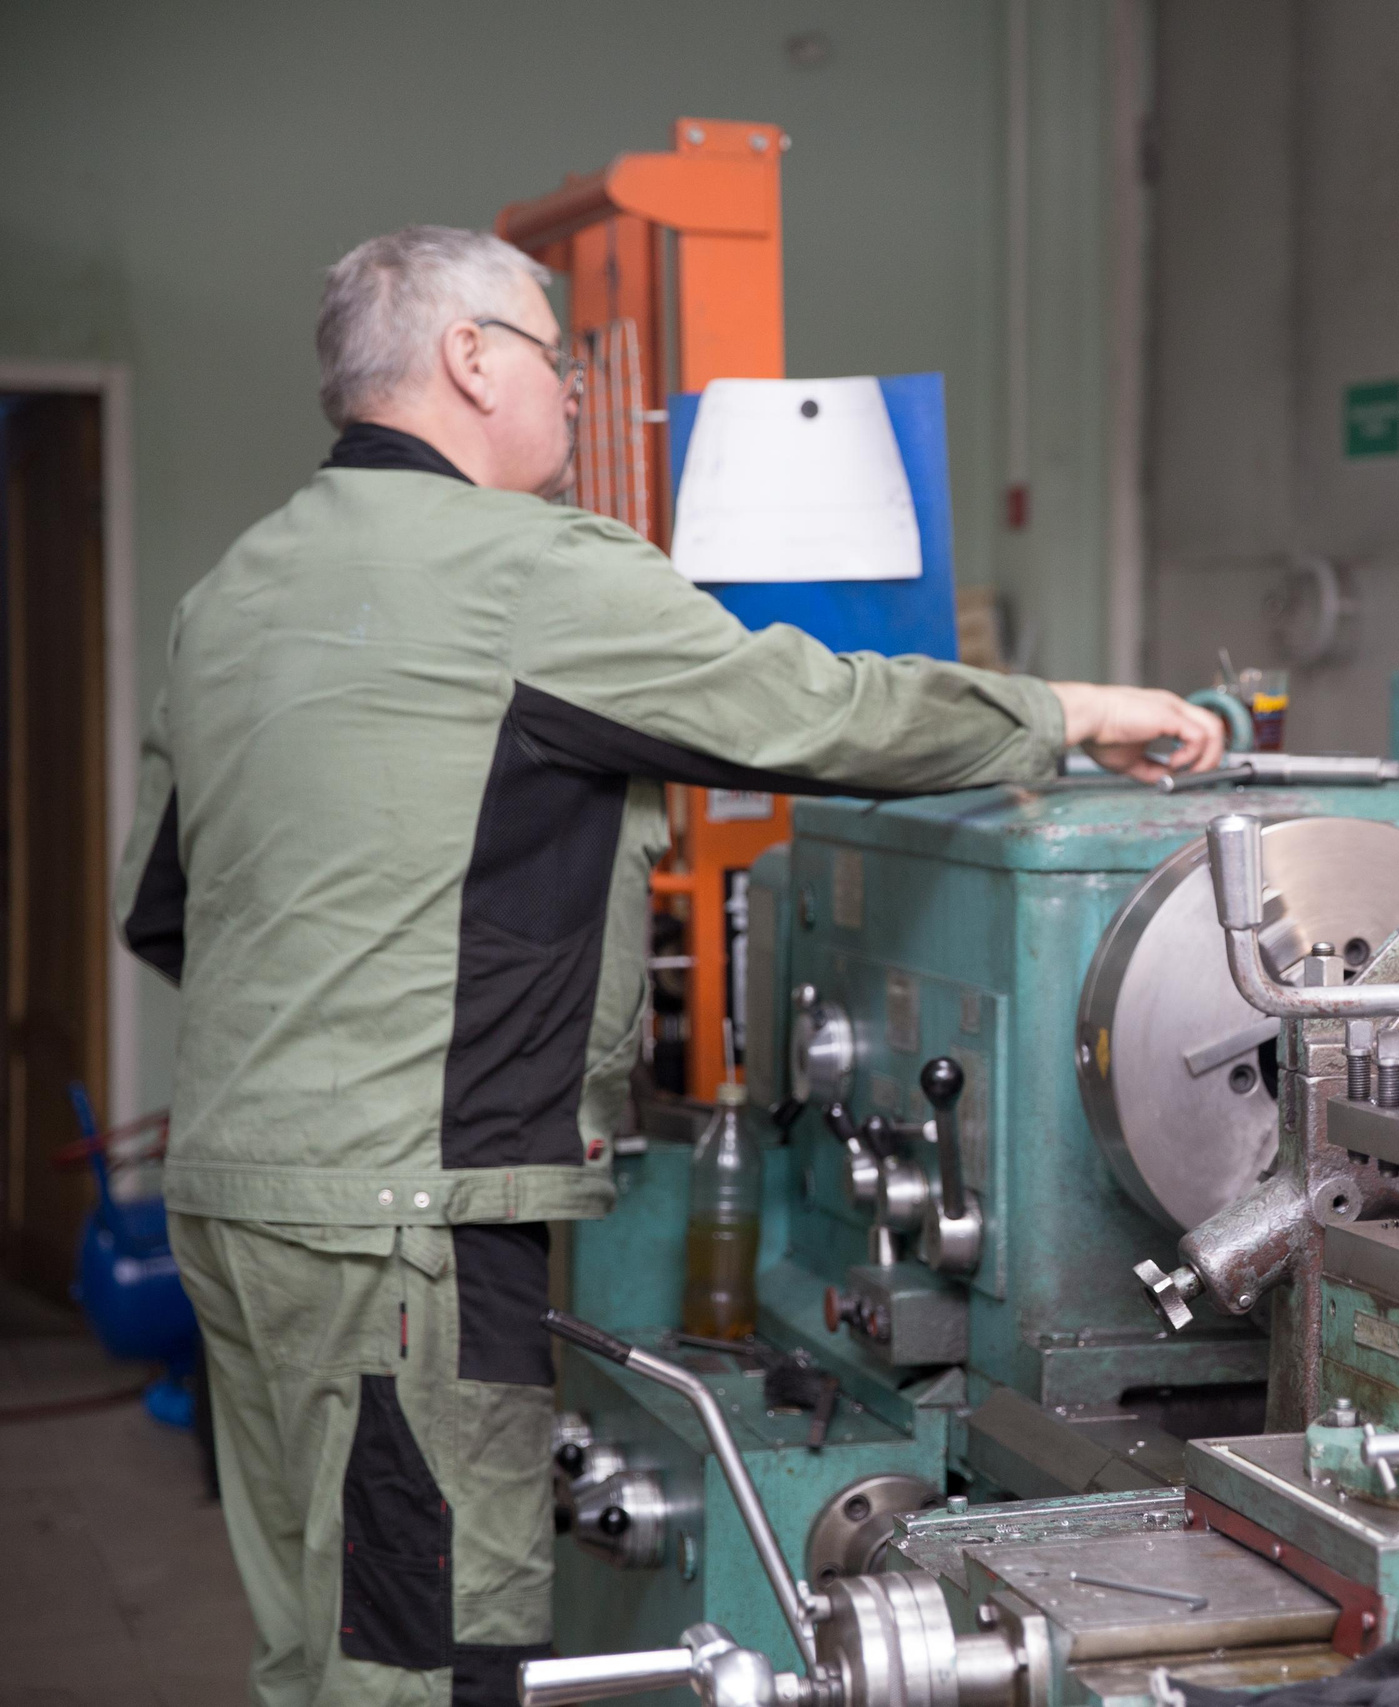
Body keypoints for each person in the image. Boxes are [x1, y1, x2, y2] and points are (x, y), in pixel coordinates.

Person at [111, 224, 1225, 1707]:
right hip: (409, 1232)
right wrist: (1072, 712)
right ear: (468, 360)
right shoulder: (526, 569)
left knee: (314, 1637)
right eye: (557, 356)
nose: (576, 395)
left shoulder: (230, 591)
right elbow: (811, 714)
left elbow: (164, 906)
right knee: (426, 1658)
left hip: (238, 1202)